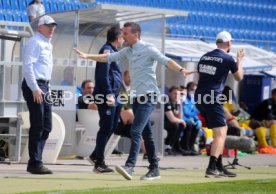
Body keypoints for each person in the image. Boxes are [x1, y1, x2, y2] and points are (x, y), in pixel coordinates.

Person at [74, 22, 195, 180]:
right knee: (147, 135)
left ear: (135, 35)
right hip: (136, 98)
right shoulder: (128, 51)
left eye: (125, 33)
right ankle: (154, 169)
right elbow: (108, 57)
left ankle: (130, 166)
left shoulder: (149, 48)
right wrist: (87, 56)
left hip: (149, 97)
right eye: (122, 33)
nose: (122, 36)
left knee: (135, 131)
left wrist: (181, 70)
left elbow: (166, 61)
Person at [195, 31, 244, 178]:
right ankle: (211, 168)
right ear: (229, 44)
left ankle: (219, 166)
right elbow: (239, 77)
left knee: (218, 133)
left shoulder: (204, 57)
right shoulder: (228, 58)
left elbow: (200, 75)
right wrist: (239, 60)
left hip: (199, 97)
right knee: (221, 133)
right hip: (212, 97)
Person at [82, 26, 124, 173]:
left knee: (113, 126)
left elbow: (115, 75)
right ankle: (99, 162)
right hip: (107, 95)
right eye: (122, 36)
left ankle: (95, 155)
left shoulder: (114, 51)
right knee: (106, 127)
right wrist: (109, 94)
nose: (124, 39)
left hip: (115, 95)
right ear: (118, 38)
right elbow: (103, 75)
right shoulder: (106, 50)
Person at [21, 15, 57, 174]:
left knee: (47, 126)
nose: (52, 28)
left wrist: (45, 87)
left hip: (45, 86)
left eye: (53, 26)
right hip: (36, 85)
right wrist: (35, 87)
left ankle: (36, 161)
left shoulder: (47, 43)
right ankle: (35, 162)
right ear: (39, 27)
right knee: (38, 124)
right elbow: (27, 67)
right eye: (48, 25)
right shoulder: (35, 42)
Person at [249, 88, 276, 153]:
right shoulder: (268, 102)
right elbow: (268, 115)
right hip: (255, 121)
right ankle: (270, 146)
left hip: (264, 122)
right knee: (273, 122)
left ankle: (274, 145)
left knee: (274, 123)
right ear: (273, 95)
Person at [180, 82, 201, 155]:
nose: (193, 92)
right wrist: (191, 117)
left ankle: (190, 147)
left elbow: (195, 112)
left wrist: (197, 120)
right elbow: (186, 112)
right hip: (183, 119)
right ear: (187, 89)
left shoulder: (193, 100)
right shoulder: (184, 99)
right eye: (192, 89)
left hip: (190, 119)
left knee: (196, 126)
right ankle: (185, 147)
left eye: (195, 90)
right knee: (189, 125)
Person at [164, 86, 186, 155]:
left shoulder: (176, 102)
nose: (177, 95)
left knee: (180, 125)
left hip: (169, 122)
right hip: (161, 122)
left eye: (178, 94)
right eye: (175, 93)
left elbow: (179, 117)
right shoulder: (166, 102)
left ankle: (172, 146)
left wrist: (180, 104)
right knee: (175, 125)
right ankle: (167, 145)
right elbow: (172, 119)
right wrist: (182, 121)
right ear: (169, 93)